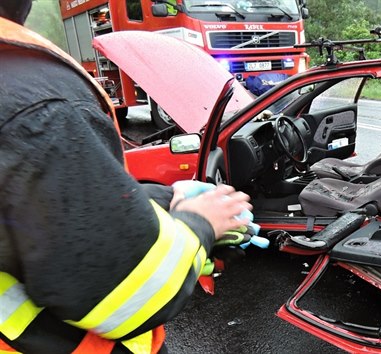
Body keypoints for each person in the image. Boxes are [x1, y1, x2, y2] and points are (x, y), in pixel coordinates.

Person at [0, 1, 251, 353]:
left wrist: (166, 199)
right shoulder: (36, 102)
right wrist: (201, 224)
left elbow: (51, 216)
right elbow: (128, 289)